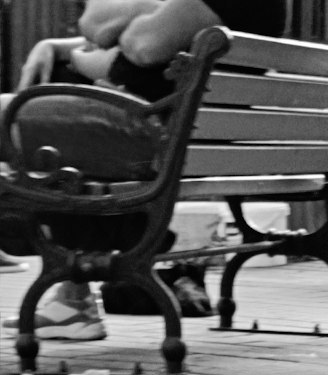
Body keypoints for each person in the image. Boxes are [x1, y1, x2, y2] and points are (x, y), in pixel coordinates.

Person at [1, 0, 286, 341]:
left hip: (154, 140)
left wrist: (138, 18)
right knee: (58, 145)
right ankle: (72, 300)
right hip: (184, 140)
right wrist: (71, 48)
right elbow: (119, 48)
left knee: (27, 124)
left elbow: (139, 45)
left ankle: (73, 283)